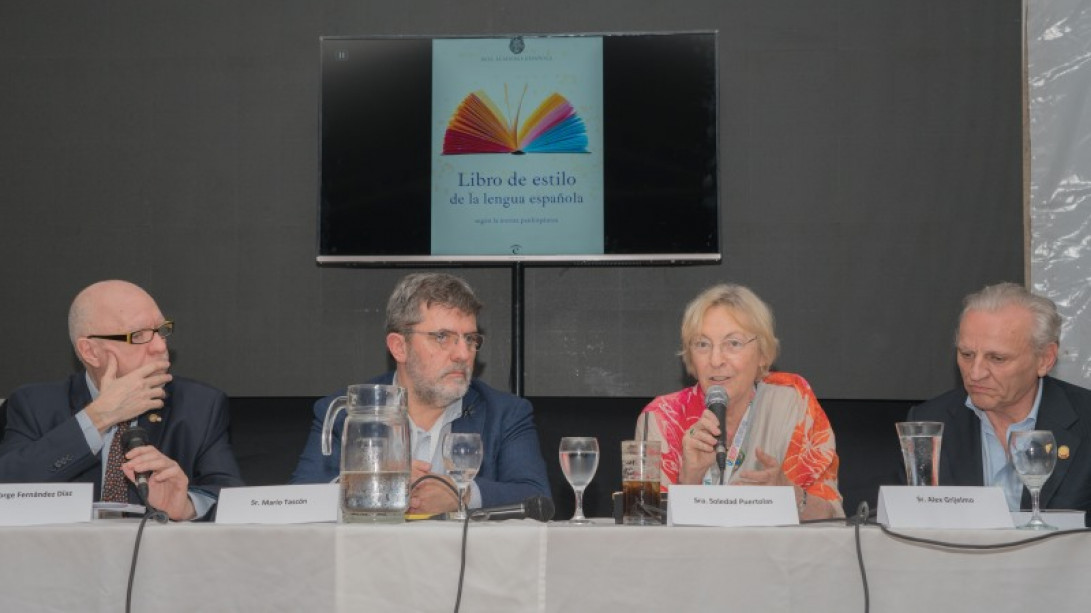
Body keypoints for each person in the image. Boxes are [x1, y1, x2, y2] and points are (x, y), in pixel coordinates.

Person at [292, 272, 550, 515]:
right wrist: (368, 485)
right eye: (442, 337)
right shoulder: (346, 413)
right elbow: (299, 502)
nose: (463, 354)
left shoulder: (505, 414)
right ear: (399, 347)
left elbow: (538, 498)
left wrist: (463, 494)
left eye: (470, 339)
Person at [0, 280, 244, 521]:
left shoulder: (199, 405)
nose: (160, 346)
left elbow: (231, 496)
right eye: (138, 336)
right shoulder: (35, 405)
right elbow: (8, 487)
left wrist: (187, 506)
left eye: (161, 331)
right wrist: (99, 417)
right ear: (90, 352)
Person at [636, 283, 844, 520]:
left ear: (763, 353)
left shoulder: (791, 402)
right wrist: (689, 480)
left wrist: (790, 495)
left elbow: (833, 517)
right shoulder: (663, 418)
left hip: (774, 554)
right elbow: (648, 532)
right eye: (703, 344)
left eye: (733, 343)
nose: (715, 360)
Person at [906, 282, 1091, 514]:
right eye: (966, 354)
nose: (975, 373)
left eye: (997, 358)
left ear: (1045, 359)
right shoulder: (929, 423)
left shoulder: (1085, 420)